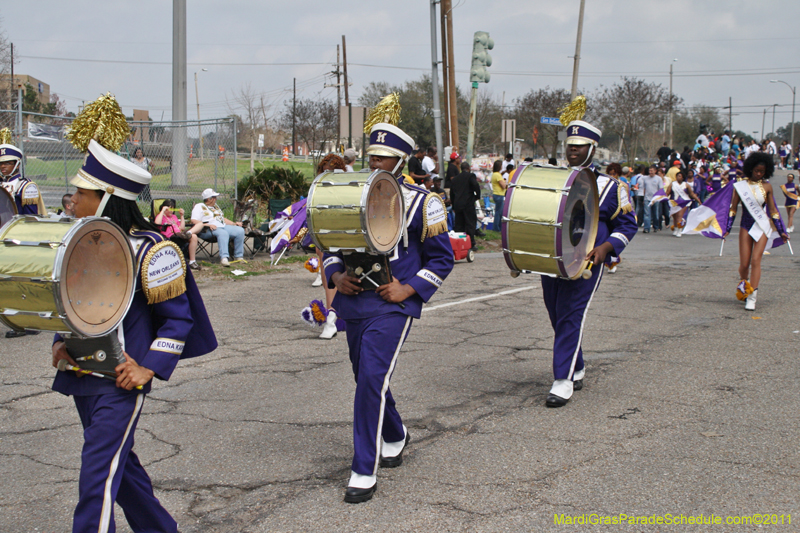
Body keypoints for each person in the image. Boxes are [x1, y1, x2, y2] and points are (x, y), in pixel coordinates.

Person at [51, 94, 217, 533]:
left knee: (96, 479)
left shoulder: (152, 251)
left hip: (121, 382)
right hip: (81, 376)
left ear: (106, 198)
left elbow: (179, 321)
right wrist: (59, 344)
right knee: (121, 477)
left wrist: (149, 367)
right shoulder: (79, 243)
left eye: (82, 195)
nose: (74, 201)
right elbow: (70, 306)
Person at [323, 118, 454, 503]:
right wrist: (335, 275)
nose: (376, 163)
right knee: (364, 375)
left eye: (385, 157)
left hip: (392, 305)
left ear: (401, 161)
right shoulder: (351, 194)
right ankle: (395, 434)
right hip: (354, 301)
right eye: (372, 156)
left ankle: (363, 468)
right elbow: (331, 242)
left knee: (370, 379)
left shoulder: (424, 202)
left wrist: (409, 288)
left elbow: (442, 260)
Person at [539, 105, 637, 408]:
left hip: (588, 261)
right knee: (556, 313)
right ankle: (576, 364)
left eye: (580, 147)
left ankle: (563, 379)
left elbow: (628, 224)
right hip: (552, 258)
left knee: (571, 313)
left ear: (593, 149)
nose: (573, 152)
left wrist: (607, 248)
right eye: (570, 146)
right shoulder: (553, 180)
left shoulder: (611, 186)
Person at [724, 152, 789, 311]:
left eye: (762, 171)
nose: (759, 174)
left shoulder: (767, 187)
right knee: (744, 264)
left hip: (762, 226)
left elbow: (773, 210)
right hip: (746, 226)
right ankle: (743, 286)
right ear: (750, 169)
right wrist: (727, 229)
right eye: (756, 171)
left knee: (755, 260)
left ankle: (752, 297)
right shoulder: (740, 186)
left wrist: (781, 230)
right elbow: (733, 209)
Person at [190, 188, 245, 267]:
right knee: (223, 233)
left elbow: (222, 219)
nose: (216, 199)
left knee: (240, 231)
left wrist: (234, 223)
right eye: (214, 197)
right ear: (209, 199)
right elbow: (193, 221)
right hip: (207, 230)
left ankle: (238, 256)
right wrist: (208, 225)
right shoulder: (199, 206)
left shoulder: (216, 206)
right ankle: (224, 258)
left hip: (222, 227)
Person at [0, 134, 45, 216]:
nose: (3, 166)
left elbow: (30, 217)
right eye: (1, 163)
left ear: (17, 165)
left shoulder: (26, 186)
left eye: (7, 163)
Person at [154, 198, 203, 270]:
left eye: (173, 209)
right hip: (172, 236)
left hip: (180, 233)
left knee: (199, 226)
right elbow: (157, 223)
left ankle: (192, 261)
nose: (172, 211)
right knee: (194, 236)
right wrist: (162, 211)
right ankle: (192, 261)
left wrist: (182, 216)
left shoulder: (173, 217)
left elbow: (182, 228)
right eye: (170, 209)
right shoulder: (161, 216)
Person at [450, 160, 481, 250]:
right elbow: (476, 185)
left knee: (459, 225)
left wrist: (453, 206)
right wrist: (477, 196)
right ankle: (471, 244)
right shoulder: (471, 176)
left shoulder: (455, 179)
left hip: (458, 205)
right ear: (468, 168)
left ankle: (459, 244)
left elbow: (452, 194)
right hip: (468, 203)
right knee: (470, 223)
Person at [667, 171, 699, 237]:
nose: (678, 177)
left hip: (683, 202)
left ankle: (680, 230)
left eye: (680, 176)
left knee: (679, 216)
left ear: (682, 177)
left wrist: (698, 200)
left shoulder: (686, 185)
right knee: (675, 217)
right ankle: (675, 228)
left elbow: (691, 194)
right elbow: (667, 192)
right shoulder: (672, 184)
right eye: (677, 176)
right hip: (674, 202)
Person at [641, 166, 662, 233]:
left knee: (655, 214)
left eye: (652, 170)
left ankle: (655, 226)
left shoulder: (658, 179)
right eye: (649, 170)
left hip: (655, 199)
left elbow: (660, 189)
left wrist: (659, 198)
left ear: (655, 171)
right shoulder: (645, 178)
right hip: (647, 198)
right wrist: (644, 198)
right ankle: (646, 228)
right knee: (647, 214)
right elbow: (644, 188)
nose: (650, 172)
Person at [490, 160, 507, 231]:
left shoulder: (494, 174)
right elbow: (503, 186)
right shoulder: (497, 175)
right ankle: (496, 228)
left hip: (497, 194)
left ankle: (499, 227)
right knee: (498, 212)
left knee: (500, 212)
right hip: (499, 194)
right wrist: (505, 183)